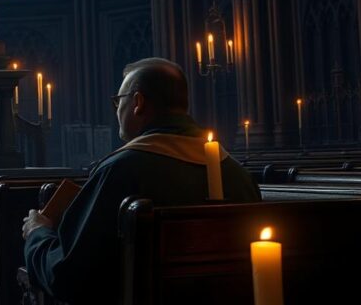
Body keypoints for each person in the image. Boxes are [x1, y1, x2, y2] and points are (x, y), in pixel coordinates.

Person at [21, 57, 260, 303]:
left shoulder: (120, 170)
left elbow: (66, 276)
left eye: (118, 102)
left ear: (137, 102)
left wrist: (38, 234)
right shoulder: (237, 174)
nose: (116, 110)